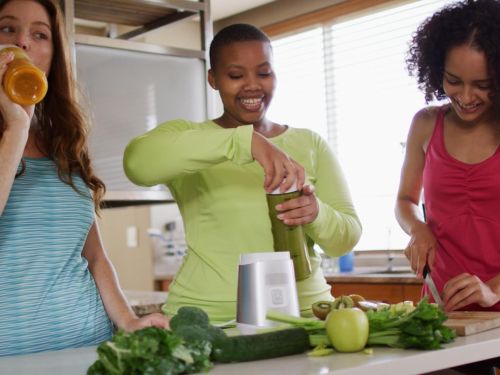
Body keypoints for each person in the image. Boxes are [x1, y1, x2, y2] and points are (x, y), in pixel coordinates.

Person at [124, 23, 362, 323]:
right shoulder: (190, 138)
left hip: (307, 313)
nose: (252, 85)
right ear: (213, 79)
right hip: (210, 318)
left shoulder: (308, 143)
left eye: (264, 73)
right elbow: (136, 164)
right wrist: (244, 141)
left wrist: (316, 213)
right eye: (236, 75)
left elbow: (346, 239)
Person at [0, 0, 168, 357]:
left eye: (40, 34)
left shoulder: (65, 141)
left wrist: (129, 320)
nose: (24, 43)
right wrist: (16, 125)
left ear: (53, 55)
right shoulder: (13, 133)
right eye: (7, 29)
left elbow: (94, 255)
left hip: (89, 349)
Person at [396, 0, 500, 314]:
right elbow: (405, 199)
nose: (465, 98)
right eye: (453, 81)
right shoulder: (426, 124)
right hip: (442, 310)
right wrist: (418, 228)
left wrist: (492, 290)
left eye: (482, 85)